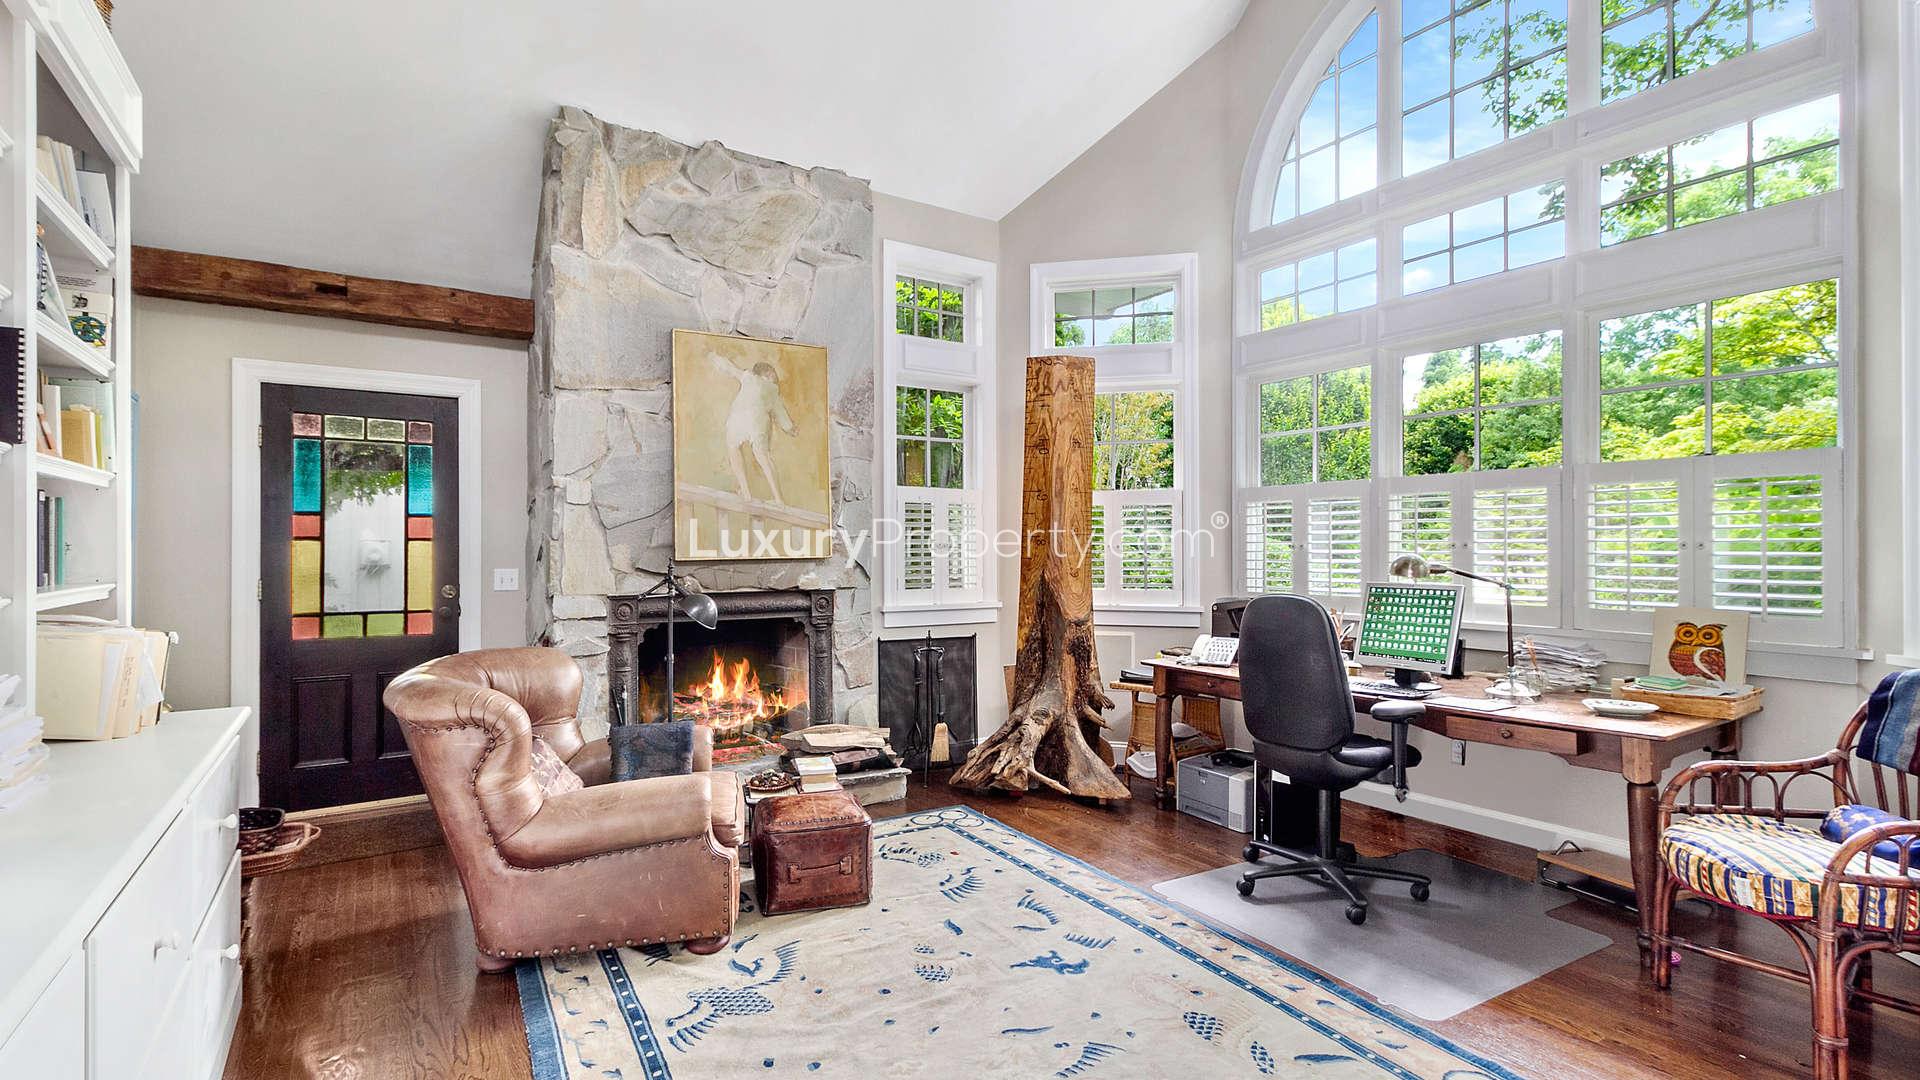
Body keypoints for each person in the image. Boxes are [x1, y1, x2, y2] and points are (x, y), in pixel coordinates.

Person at [710, 350, 796, 505]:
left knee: (733, 447)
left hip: (738, 418)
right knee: (764, 457)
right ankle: (778, 499)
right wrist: (789, 428)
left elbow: (730, 369)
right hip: (758, 422)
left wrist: (716, 358)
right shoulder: (773, 390)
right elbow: (780, 413)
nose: (776, 378)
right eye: (774, 374)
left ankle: (745, 491)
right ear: (769, 373)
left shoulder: (748, 377)